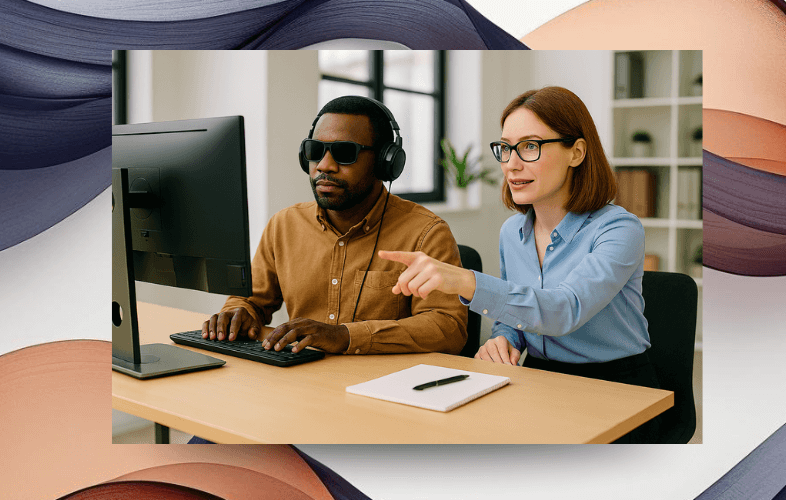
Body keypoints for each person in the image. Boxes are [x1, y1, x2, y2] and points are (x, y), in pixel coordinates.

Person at [379, 86, 659, 442]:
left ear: (576, 152)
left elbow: (563, 310)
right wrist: (503, 338)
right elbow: (518, 312)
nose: (511, 163)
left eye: (530, 146)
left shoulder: (619, 229)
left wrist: (465, 281)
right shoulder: (512, 231)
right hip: (539, 377)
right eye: (506, 148)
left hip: (616, 386)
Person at [200, 95, 468, 356]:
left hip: (384, 388)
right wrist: (237, 313)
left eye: (344, 153)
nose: (324, 166)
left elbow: (448, 327)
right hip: (303, 380)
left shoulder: (425, 234)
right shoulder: (284, 225)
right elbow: (251, 300)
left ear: (385, 161)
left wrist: (345, 336)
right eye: (315, 151)